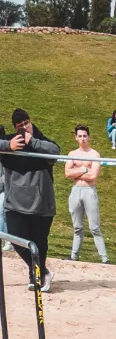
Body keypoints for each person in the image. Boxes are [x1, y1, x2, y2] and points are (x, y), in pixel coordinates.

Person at [0, 109, 60, 291]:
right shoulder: (10, 143)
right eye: (20, 126)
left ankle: (36, 276)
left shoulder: (42, 142)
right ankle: (42, 272)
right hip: (15, 204)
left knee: (39, 244)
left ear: (31, 122)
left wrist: (32, 142)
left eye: (26, 123)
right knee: (18, 242)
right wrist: (7, 145)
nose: (24, 128)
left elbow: (55, 152)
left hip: (41, 205)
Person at [64, 125, 109, 264]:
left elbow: (93, 176)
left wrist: (77, 171)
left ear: (88, 137)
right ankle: (74, 255)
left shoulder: (94, 155)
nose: (82, 139)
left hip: (89, 190)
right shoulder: (72, 154)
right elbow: (67, 173)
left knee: (94, 227)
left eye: (85, 136)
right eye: (80, 136)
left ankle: (104, 258)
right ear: (76, 137)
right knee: (77, 227)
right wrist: (84, 169)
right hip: (76, 190)